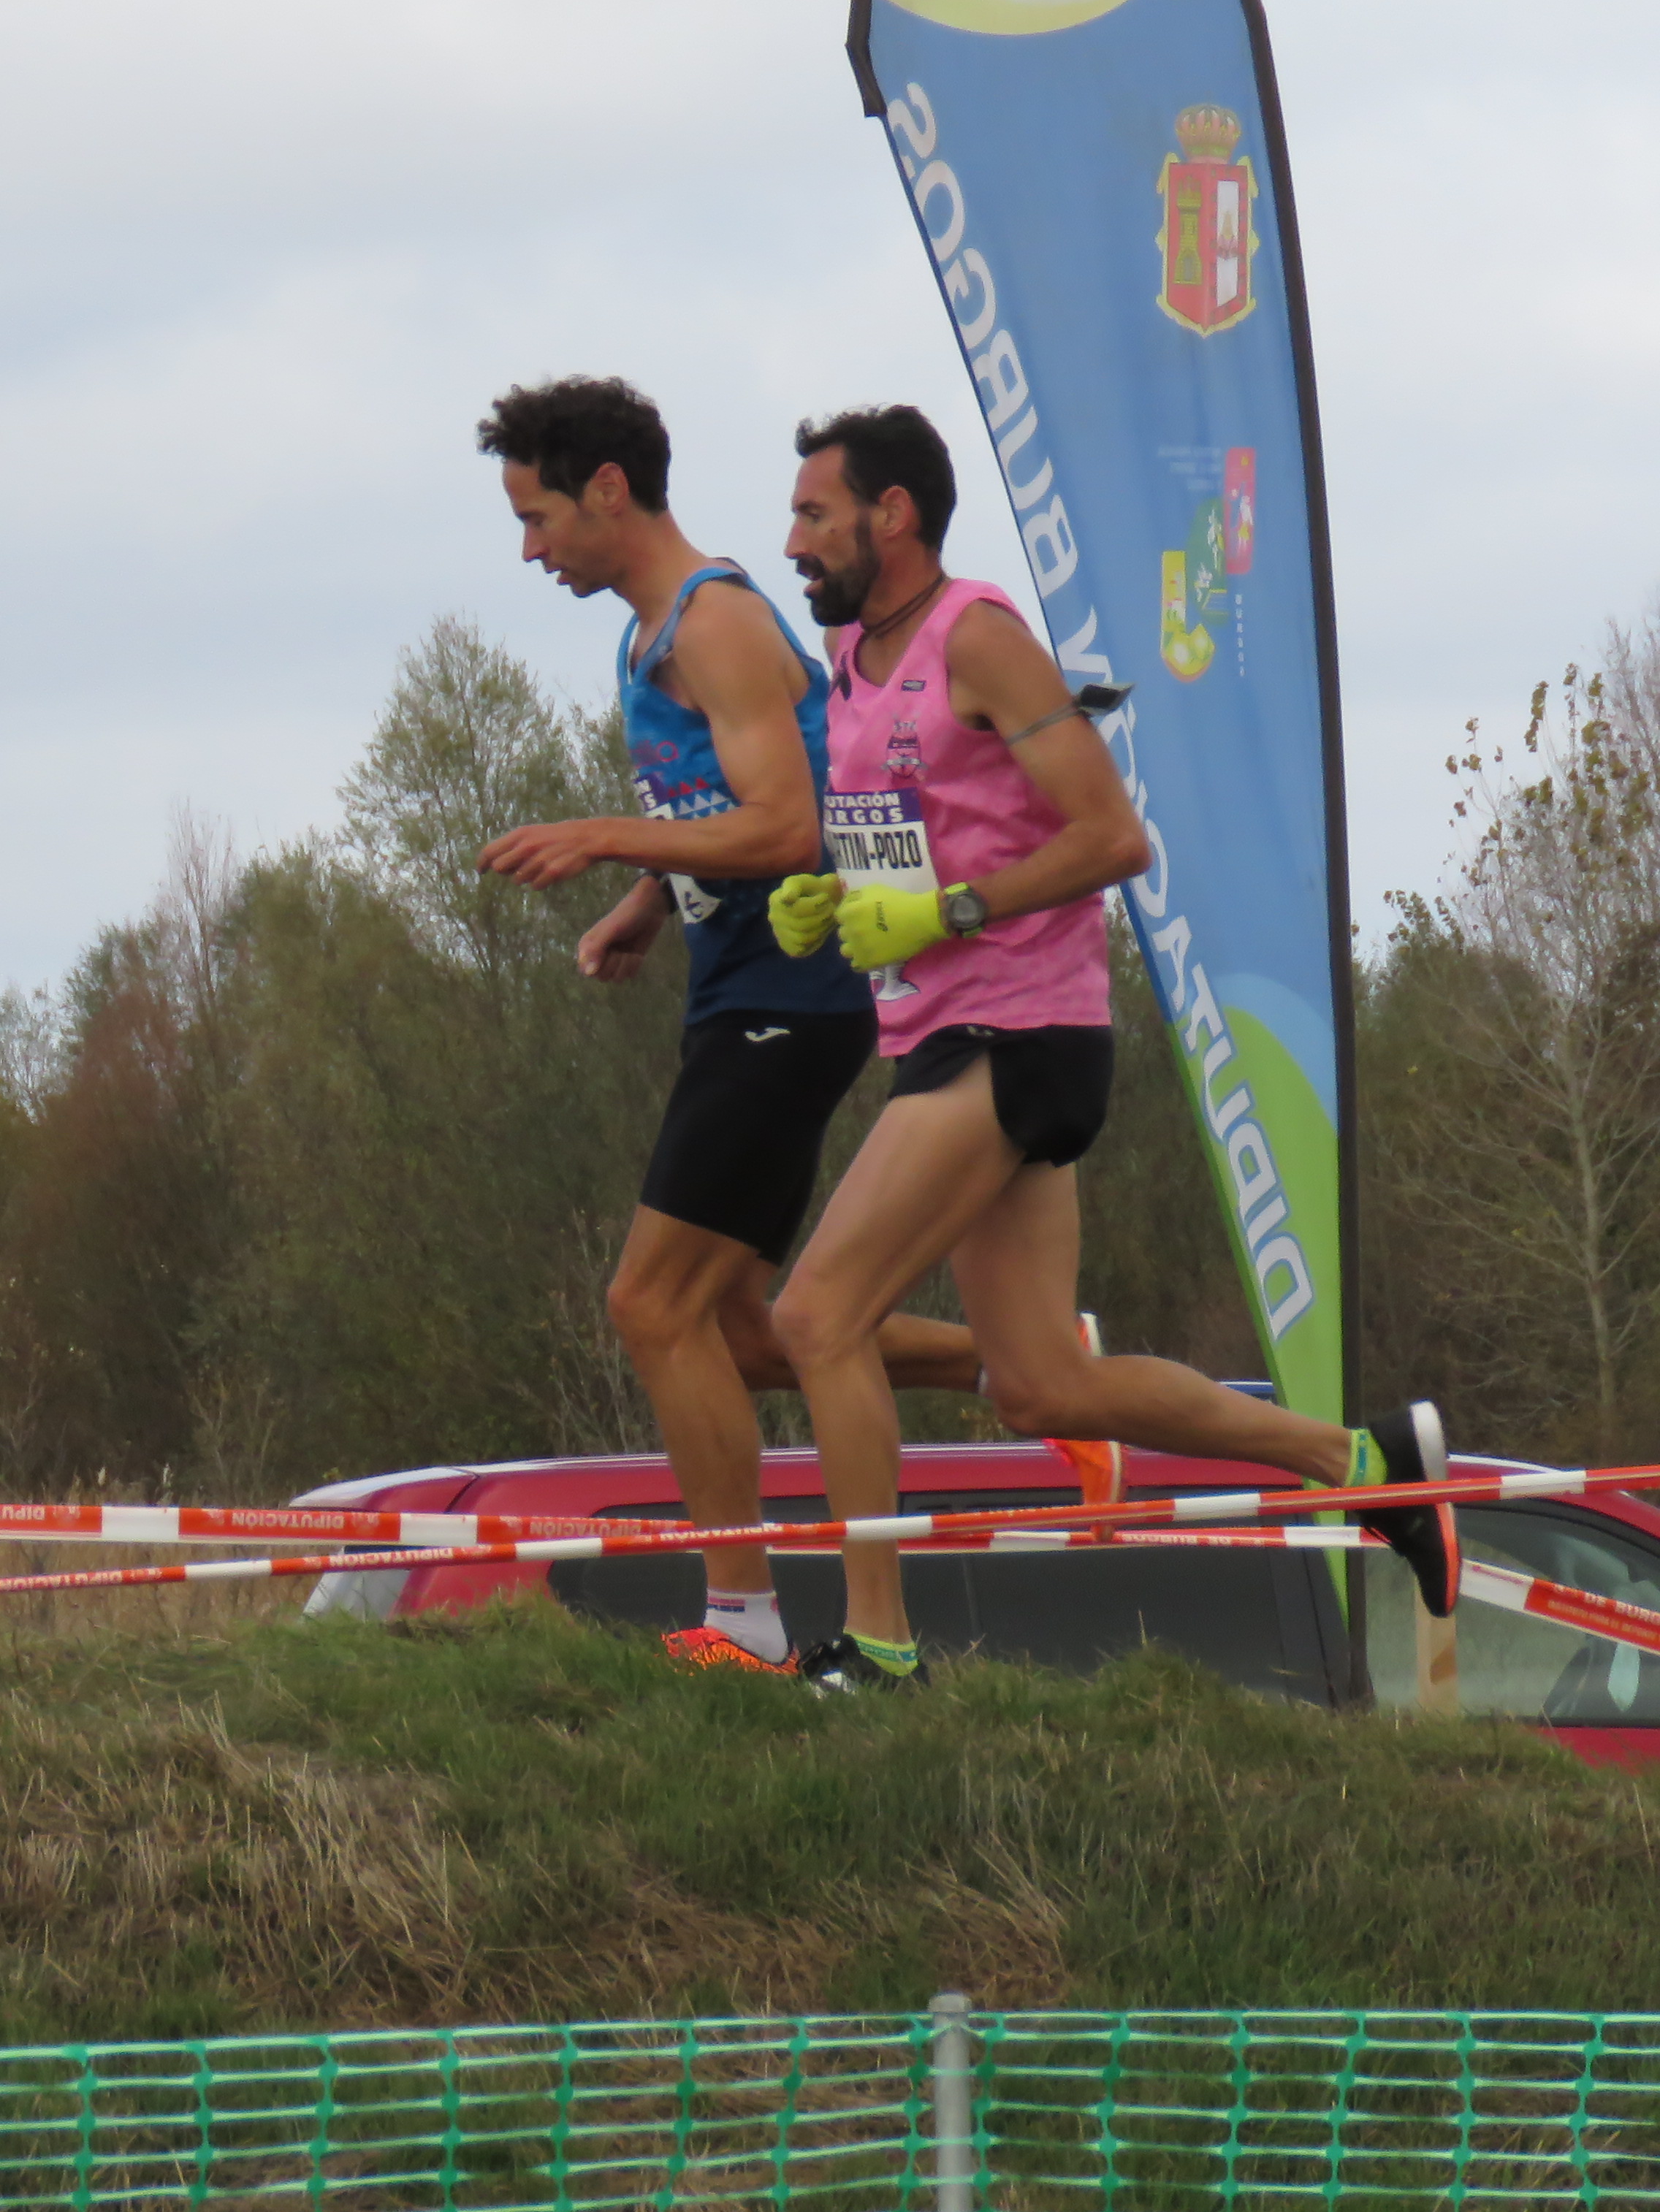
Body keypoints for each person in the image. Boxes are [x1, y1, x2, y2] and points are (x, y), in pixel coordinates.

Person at [763, 403, 1456, 1691]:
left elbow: (1112, 838)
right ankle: (1359, 1461)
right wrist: (827, 895)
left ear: (893, 515)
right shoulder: (853, 656)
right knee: (1039, 1388)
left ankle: (879, 1647)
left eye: (813, 514)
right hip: (941, 1032)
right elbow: (906, 832)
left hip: (1020, 1031)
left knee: (817, 1314)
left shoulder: (981, 638)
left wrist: (945, 913)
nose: (793, 542)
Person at [472, 377, 1026, 1675]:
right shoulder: (650, 633)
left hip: (797, 993)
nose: (530, 550)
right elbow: (723, 805)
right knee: (737, 1331)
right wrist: (647, 903)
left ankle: (744, 1620)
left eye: (538, 516)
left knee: (648, 1301)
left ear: (610, 490)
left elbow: (788, 826)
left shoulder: (713, 623)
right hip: (743, 990)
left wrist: (604, 835)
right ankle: (1021, 1367)